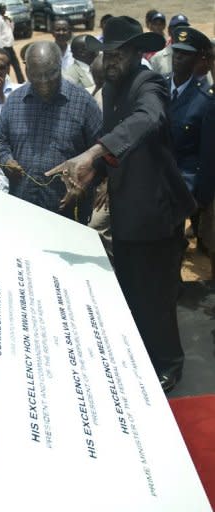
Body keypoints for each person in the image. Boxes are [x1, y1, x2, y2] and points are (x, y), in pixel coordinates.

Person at [45, 16, 196, 392]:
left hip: (156, 213)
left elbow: (149, 119)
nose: (110, 61)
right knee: (131, 292)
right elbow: (116, 150)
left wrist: (94, 151)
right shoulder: (110, 87)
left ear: (134, 53)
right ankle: (140, 358)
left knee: (157, 296)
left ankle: (169, 364)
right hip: (125, 211)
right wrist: (90, 175)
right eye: (106, 54)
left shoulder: (149, 84)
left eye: (117, 54)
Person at [0, 41, 102, 221]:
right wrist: (6, 160)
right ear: (27, 72)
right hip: (21, 208)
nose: (44, 82)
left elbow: (101, 152)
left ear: (60, 66)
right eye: (37, 76)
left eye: (50, 74)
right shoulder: (15, 101)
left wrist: (82, 183)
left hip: (67, 211)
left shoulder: (83, 103)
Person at [166, 27, 215, 247]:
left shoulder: (204, 101)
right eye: (176, 52)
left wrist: (199, 196)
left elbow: (204, 152)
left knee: (171, 241)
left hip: (181, 183)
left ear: (196, 59)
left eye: (184, 54)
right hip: (152, 177)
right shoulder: (156, 86)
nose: (177, 58)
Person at [0, 3, 25, 83]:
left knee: (17, 66)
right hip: (4, 48)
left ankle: (21, 82)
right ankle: (6, 84)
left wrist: (10, 21)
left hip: (10, 46)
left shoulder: (7, 18)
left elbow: (11, 30)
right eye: (2, 9)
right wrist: (1, 50)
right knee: (6, 68)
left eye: (4, 8)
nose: (4, 10)